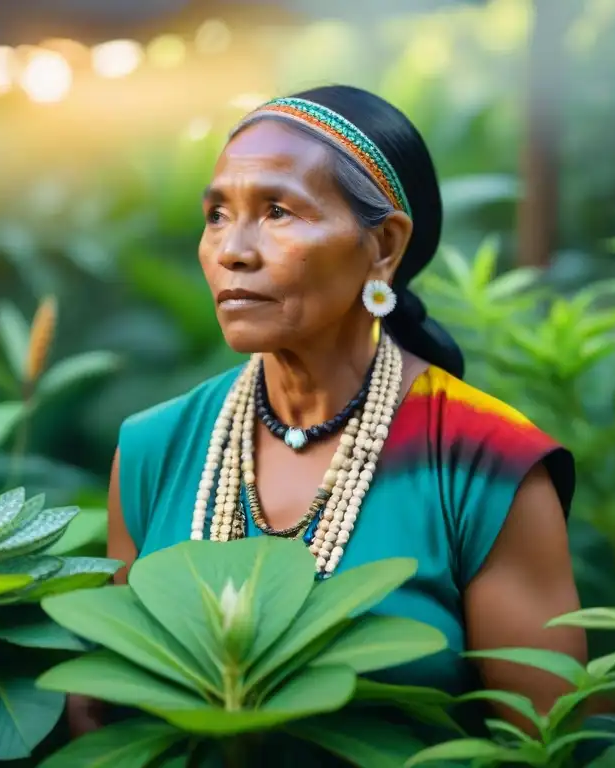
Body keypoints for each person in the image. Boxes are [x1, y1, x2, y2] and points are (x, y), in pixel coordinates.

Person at [76, 84, 586, 743]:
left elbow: (552, 745)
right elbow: (116, 700)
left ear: (384, 247)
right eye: (216, 214)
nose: (233, 248)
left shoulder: (483, 465)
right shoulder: (155, 449)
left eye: (278, 211)